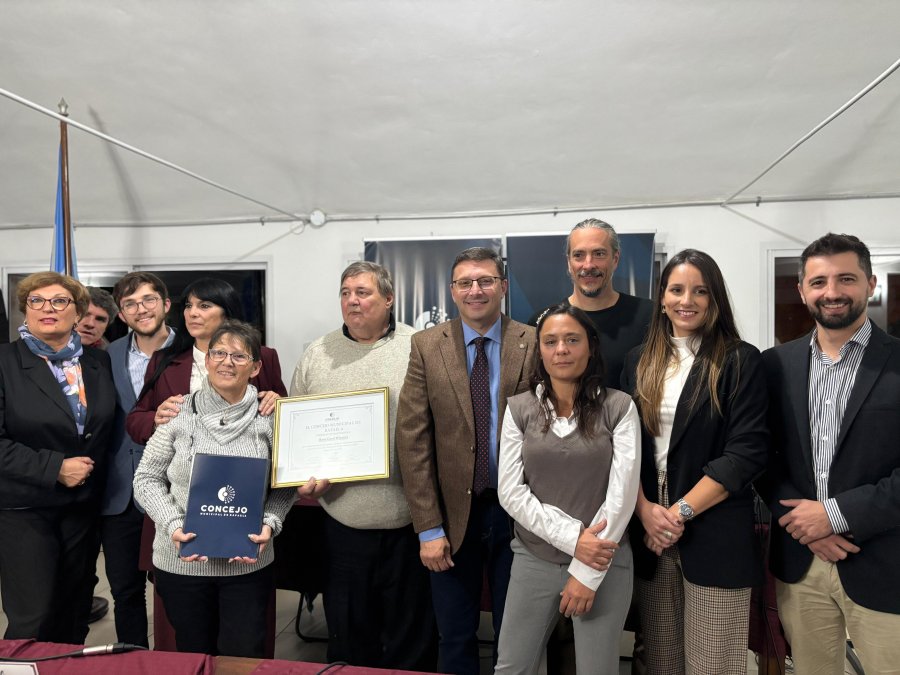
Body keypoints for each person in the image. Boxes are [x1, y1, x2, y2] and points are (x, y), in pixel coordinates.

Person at [621, 249, 768, 674]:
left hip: (712, 523)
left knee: (713, 663)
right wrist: (646, 511)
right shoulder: (638, 361)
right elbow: (625, 449)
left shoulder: (740, 360)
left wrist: (677, 514)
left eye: (700, 291)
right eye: (677, 289)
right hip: (649, 521)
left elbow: (746, 453)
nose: (688, 300)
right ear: (662, 298)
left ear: (714, 299)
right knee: (661, 659)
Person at [762, 233, 900, 674]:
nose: (833, 292)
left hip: (884, 563)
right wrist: (808, 527)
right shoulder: (774, 364)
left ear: (871, 283)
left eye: (846, 278)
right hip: (802, 562)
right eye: (818, 281)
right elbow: (762, 457)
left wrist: (834, 515)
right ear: (802, 290)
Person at [125, 276, 287, 651]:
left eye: (238, 356)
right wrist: (172, 522)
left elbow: (285, 481)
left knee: (243, 651)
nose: (227, 363)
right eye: (218, 354)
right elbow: (146, 476)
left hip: (247, 560)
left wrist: (271, 521)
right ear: (207, 358)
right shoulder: (178, 406)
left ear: (255, 365)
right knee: (191, 651)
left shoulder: (269, 416)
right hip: (183, 556)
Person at [289, 261, 437, 670]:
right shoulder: (316, 355)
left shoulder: (420, 345)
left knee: (412, 634)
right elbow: (297, 429)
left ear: (389, 298)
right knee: (351, 633)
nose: (352, 300)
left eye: (363, 292)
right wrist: (301, 477)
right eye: (345, 292)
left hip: (412, 519)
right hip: (343, 521)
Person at [396, 246, 536, 674]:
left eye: (486, 281)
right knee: (454, 635)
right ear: (453, 292)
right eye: (465, 283)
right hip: (453, 516)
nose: (476, 290)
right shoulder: (425, 346)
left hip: (518, 513)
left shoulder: (532, 342)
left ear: (503, 287)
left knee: (517, 634)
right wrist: (428, 527)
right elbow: (413, 439)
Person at [496, 304, 641, 674]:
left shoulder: (619, 406)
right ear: (539, 350)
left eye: (572, 340)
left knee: (597, 668)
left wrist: (586, 569)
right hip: (534, 558)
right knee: (512, 667)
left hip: (604, 560)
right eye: (551, 341)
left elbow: (622, 497)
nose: (561, 349)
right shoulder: (518, 409)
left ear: (590, 347)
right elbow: (511, 492)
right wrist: (575, 539)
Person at [0, 271, 116, 643]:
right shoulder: (4, 362)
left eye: (59, 301)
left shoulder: (98, 364)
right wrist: (55, 468)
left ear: (78, 311)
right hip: (25, 512)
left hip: (82, 511)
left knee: (74, 616)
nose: (47, 308)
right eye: (36, 301)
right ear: (25, 311)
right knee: (33, 620)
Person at [98, 272, 175, 647]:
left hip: (175, 488)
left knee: (174, 589)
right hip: (120, 494)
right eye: (130, 304)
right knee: (125, 591)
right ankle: (133, 660)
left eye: (148, 299)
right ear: (122, 315)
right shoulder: (108, 354)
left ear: (165, 304)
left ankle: (176, 662)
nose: (140, 309)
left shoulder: (193, 350)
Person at [126, 277, 286, 445]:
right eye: (188, 306)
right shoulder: (162, 360)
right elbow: (135, 420)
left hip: (246, 461)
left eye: (204, 306)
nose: (192, 313)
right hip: (182, 464)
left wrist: (277, 403)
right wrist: (156, 420)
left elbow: (285, 414)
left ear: (227, 313)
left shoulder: (264, 356)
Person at [529, 218, 654, 388]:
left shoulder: (649, 315)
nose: (588, 265)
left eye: (599, 254)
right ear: (569, 262)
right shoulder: (542, 322)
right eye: (579, 255)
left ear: (615, 259)